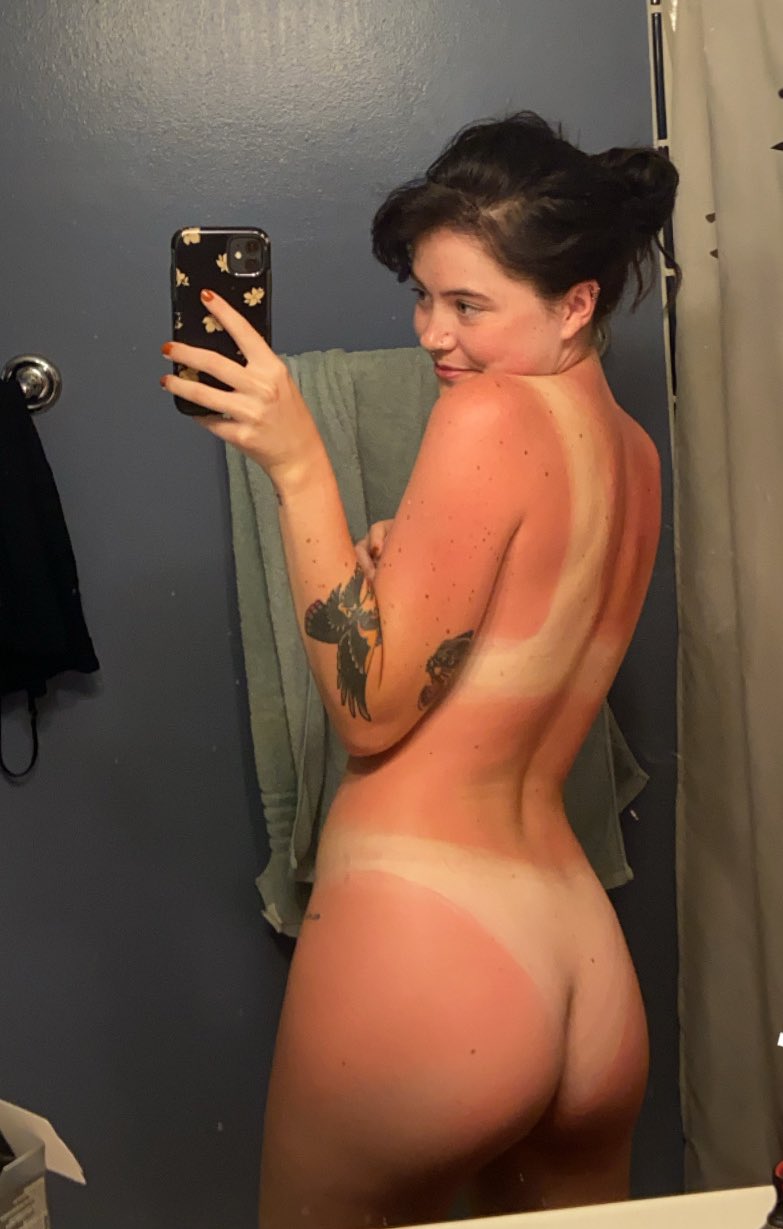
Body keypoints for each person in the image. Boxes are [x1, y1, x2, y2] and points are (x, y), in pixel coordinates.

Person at [159, 111, 679, 1229]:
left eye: (469, 304)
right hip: (580, 959)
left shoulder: (489, 412)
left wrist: (299, 462)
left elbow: (371, 712)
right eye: (423, 296)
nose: (433, 334)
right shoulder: (632, 454)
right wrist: (399, 566)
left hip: (431, 942)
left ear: (575, 302)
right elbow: (511, 638)